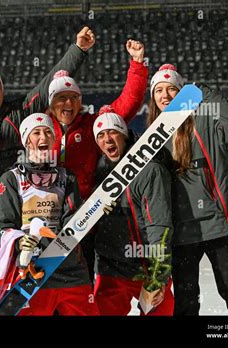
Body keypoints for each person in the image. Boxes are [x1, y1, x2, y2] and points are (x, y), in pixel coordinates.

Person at [0, 27, 96, 316]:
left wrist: (77, 50)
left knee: (18, 298)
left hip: (21, 228)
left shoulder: (16, 116)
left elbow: (48, 85)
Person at [147, 64, 228, 315]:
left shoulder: (207, 118)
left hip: (218, 226)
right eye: (159, 91)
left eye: (172, 89)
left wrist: (203, 92)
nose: (165, 96)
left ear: (183, 92)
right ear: (152, 98)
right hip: (181, 233)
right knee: (186, 303)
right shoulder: (151, 137)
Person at [0, 113, 99, 316]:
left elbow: (72, 219)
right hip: (34, 271)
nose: (43, 137)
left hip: (70, 270)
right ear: (26, 141)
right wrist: (19, 243)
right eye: (36, 133)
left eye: (47, 132)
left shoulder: (66, 177)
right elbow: (3, 226)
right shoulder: (11, 179)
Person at [46, 40, 148, 280]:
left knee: (82, 278)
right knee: (49, 281)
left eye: (73, 97)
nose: (68, 103)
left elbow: (128, 104)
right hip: (47, 216)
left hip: (84, 216)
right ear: (51, 103)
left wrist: (136, 64)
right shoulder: (41, 128)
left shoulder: (93, 126)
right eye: (61, 98)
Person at [92, 106, 174, 315]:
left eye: (113, 132)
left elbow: (159, 225)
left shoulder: (150, 171)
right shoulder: (98, 170)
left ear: (125, 134)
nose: (107, 139)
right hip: (110, 268)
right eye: (100, 135)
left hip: (146, 266)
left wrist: (158, 275)